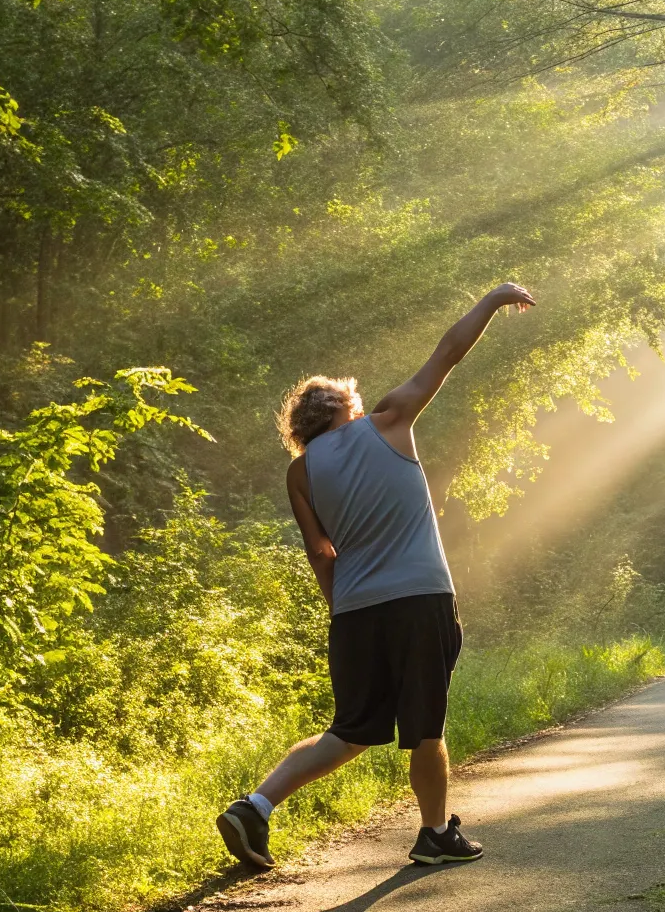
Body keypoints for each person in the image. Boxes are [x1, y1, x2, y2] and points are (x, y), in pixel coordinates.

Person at [216, 281, 536, 869]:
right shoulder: (389, 422)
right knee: (424, 726)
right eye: (351, 400)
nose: (359, 405)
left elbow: (321, 553)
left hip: (355, 610)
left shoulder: (301, 472)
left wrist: (343, 608)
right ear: (345, 410)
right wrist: (492, 300)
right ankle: (436, 833)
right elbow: (447, 354)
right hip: (419, 598)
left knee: (353, 729)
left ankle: (255, 807)